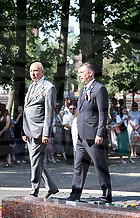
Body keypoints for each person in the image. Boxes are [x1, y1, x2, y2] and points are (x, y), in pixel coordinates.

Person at [67, 63, 112, 203]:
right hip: (81, 135)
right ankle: (75, 193)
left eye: (82, 72)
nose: (79, 75)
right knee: (78, 164)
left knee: (100, 165)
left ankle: (106, 194)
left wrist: (100, 133)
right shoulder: (82, 90)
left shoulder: (99, 89)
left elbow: (103, 114)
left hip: (93, 135)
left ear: (90, 73)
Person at [22, 61, 59, 198]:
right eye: (31, 71)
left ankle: (34, 190)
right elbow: (27, 110)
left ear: (42, 72)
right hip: (29, 130)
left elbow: (49, 113)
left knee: (35, 161)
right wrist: (24, 131)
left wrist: (46, 133)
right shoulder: (31, 86)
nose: (33, 73)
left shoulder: (48, 88)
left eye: (36, 71)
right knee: (37, 161)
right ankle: (51, 186)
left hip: (39, 131)